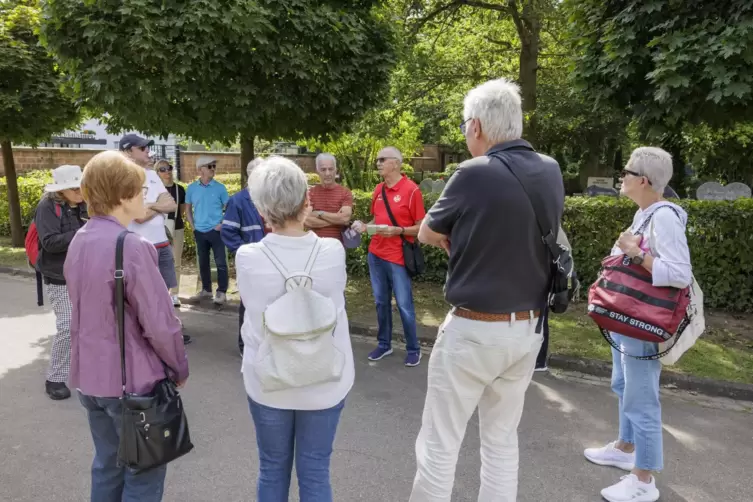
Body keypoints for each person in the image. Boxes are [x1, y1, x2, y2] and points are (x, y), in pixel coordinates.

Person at [410, 78, 565, 501]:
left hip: (474, 328)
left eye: (464, 126)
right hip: (528, 327)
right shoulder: (550, 170)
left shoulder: (474, 172)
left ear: (475, 126)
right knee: (500, 441)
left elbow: (426, 232)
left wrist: (454, 236)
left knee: (440, 443)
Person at [65, 150, 189, 502]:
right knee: (143, 471)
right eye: (138, 190)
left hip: (90, 379)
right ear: (122, 196)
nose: (144, 197)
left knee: (107, 465)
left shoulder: (80, 239)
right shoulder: (132, 246)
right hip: (130, 383)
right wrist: (178, 365)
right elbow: (161, 324)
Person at [235, 156, 354, 501]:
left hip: (269, 379)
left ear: (261, 210)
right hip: (326, 378)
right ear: (307, 203)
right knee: (316, 470)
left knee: (272, 467)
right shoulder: (332, 251)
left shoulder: (248, 257)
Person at [584, 147, 692, 502]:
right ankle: (625, 447)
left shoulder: (663, 217)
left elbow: (679, 275)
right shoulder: (645, 213)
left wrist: (635, 253)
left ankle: (643, 479)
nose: (621, 176)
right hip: (627, 317)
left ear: (643, 180)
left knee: (642, 398)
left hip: (643, 321)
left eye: (626, 171)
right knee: (622, 383)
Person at [351, 147, 425, 367]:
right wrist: (365, 227)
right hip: (376, 254)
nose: (378, 163)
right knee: (381, 302)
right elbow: (377, 220)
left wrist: (399, 231)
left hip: (398, 257)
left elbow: (421, 228)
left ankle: (413, 349)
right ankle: (384, 344)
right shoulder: (378, 190)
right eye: (378, 160)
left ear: (396, 163)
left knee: (404, 305)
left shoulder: (412, 190)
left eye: (382, 160)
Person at [120, 135, 190, 344]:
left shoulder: (151, 175)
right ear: (128, 151)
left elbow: (171, 204)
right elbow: (137, 215)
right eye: (142, 148)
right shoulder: (123, 178)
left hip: (161, 243)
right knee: (144, 293)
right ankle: (147, 334)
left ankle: (166, 329)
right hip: (140, 246)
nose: (147, 152)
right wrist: (156, 206)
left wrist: (150, 206)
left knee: (165, 289)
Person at [34, 164, 88, 400]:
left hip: (86, 273)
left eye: (81, 186)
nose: (80, 191)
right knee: (67, 326)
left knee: (89, 325)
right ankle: (55, 378)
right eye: (74, 188)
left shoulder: (86, 203)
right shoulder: (47, 206)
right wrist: (85, 231)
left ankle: (86, 370)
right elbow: (49, 242)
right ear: (61, 190)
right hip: (59, 276)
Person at [221, 158, 266, 356]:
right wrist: (245, 254)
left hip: (271, 260)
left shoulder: (269, 198)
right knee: (248, 304)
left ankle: (264, 342)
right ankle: (244, 345)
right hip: (251, 261)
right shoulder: (238, 201)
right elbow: (228, 233)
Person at [186, 155, 229, 305]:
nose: (213, 169)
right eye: (209, 166)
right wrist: (192, 226)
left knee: (221, 262)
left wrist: (222, 224)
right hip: (200, 231)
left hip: (216, 231)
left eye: (214, 166)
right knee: (203, 262)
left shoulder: (220, 188)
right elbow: (188, 209)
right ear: (200, 169)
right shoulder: (191, 188)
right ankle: (206, 290)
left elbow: (229, 209)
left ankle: (222, 292)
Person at [155, 158, 186, 307]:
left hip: (177, 227)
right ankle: (160, 292)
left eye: (169, 168)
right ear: (157, 173)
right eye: (162, 169)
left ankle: (175, 293)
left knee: (176, 262)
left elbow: (181, 211)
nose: (167, 171)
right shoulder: (154, 189)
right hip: (158, 228)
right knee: (158, 261)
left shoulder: (179, 189)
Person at [305, 153, 354, 244]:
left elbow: (345, 218)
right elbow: (307, 221)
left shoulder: (345, 192)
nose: (327, 173)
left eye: (330, 169)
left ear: (336, 170)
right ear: (317, 171)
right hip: (314, 246)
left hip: (337, 246)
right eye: (323, 169)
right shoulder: (310, 193)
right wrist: (336, 220)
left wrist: (320, 213)